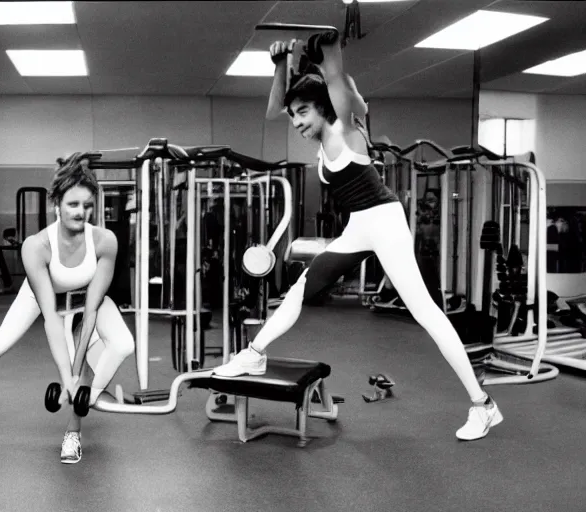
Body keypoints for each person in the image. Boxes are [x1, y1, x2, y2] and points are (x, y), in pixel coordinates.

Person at [213, 34, 503, 441]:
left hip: (384, 223)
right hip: (359, 226)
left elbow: (338, 80)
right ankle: (253, 355)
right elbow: (273, 109)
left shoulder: (344, 131)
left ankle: (483, 406)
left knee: (427, 314)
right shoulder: (335, 123)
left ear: (325, 107)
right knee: (301, 288)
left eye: (303, 114)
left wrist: (330, 51)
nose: (296, 122)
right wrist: (281, 65)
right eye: (295, 115)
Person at [0, 153, 135, 463]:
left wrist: (75, 380)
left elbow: (91, 311)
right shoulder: (37, 246)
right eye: (73, 204)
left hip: (87, 301)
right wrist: (67, 377)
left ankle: (74, 427)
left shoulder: (105, 242)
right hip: (43, 298)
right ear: (57, 205)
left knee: (122, 344)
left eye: (88, 205)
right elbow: (50, 319)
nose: (81, 212)